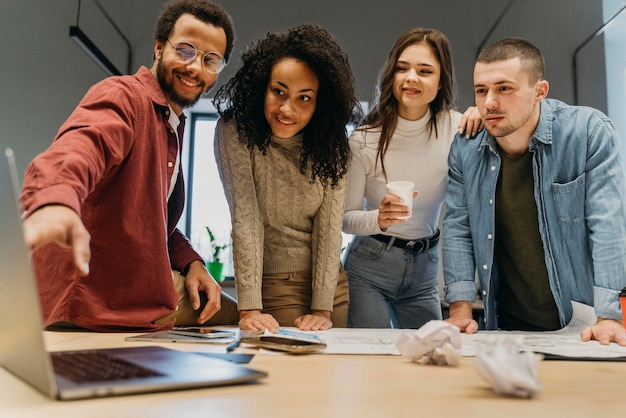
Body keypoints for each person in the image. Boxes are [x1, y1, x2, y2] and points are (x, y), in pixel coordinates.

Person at [20, 0, 239, 332]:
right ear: (158, 47)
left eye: (210, 60)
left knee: (225, 312)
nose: (195, 67)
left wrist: (192, 261)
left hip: (131, 297)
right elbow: (82, 146)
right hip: (89, 303)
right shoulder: (125, 96)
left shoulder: (172, 124)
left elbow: (151, 216)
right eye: (185, 50)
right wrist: (54, 201)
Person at [443, 37, 626, 346]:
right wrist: (460, 310)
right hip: (506, 327)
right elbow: (457, 227)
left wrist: (609, 316)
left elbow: (608, 225)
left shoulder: (587, 133)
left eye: (504, 88)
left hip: (584, 325)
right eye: (481, 91)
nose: (489, 102)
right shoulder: (466, 148)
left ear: (540, 91)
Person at [213, 24, 362, 333]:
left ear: (320, 102)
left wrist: (322, 308)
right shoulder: (235, 132)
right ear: (261, 87)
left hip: (331, 289)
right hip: (275, 288)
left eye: (304, 98)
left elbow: (329, 227)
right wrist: (250, 308)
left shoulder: (332, 144)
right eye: (278, 91)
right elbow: (246, 219)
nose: (287, 109)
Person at [342, 28, 482, 328]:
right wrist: (378, 218)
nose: (411, 78)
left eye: (425, 71)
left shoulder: (459, 129)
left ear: (441, 80)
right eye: (402, 68)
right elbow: (344, 218)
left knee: (433, 355)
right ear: (391, 74)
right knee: (373, 361)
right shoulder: (364, 140)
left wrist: (482, 115)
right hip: (370, 267)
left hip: (425, 270)